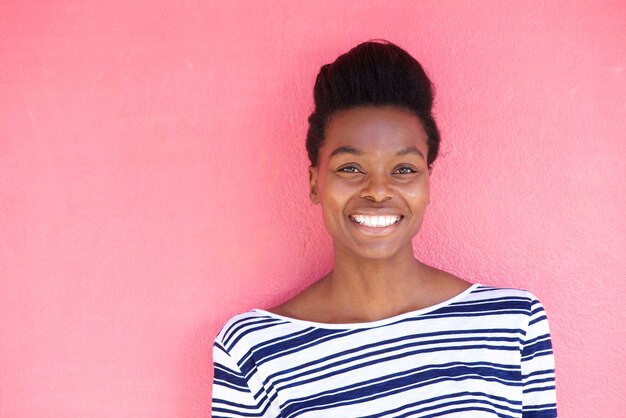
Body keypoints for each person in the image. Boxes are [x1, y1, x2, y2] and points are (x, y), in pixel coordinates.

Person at [211, 40, 557, 417]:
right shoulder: (255, 350)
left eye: (404, 170)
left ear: (427, 182)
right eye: (350, 168)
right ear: (315, 184)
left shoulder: (509, 324)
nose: (377, 191)